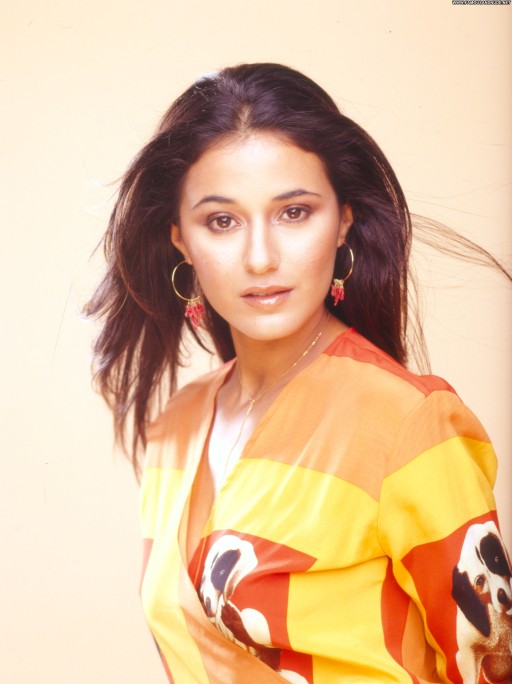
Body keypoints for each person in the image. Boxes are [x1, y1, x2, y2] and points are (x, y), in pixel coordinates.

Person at [85, 63, 512, 683]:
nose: (260, 258)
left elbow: (493, 666)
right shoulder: (176, 425)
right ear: (181, 240)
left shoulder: (407, 424)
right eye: (222, 221)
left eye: (293, 212)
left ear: (343, 221)